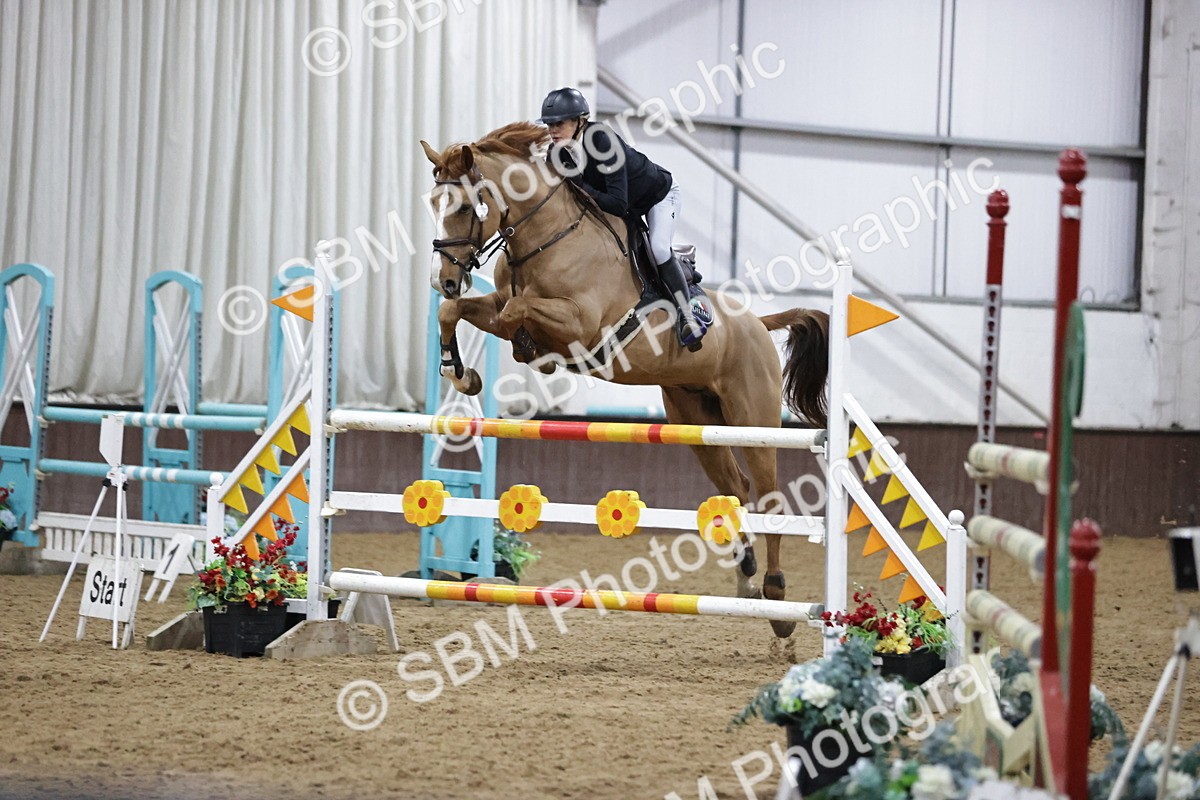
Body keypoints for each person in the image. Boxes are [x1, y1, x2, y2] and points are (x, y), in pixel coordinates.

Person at [538, 87, 709, 349]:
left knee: (659, 248)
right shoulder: (557, 153)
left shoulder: (602, 141)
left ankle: (687, 316)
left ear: (580, 121)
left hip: (658, 197)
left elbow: (617, 203)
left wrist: (582, 185)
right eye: (549, 124)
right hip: (626, 207)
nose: (552, 130)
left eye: (559, 123)